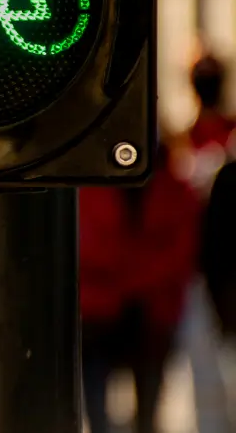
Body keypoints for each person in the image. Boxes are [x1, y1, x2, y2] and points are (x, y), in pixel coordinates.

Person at [79, 139, 200, 433]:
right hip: (100, 314)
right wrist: (136, 274)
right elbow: (88, 247)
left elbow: (180, 253)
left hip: (150, 314)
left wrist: (126, 277)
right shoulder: (90, 190)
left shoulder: (175, 190)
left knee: (147, 407)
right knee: (96, 406)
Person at [180, 54, 235, 433]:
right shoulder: (183, 140)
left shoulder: (227, 136)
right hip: (193, 269)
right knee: (205, 371)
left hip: (221, 267)